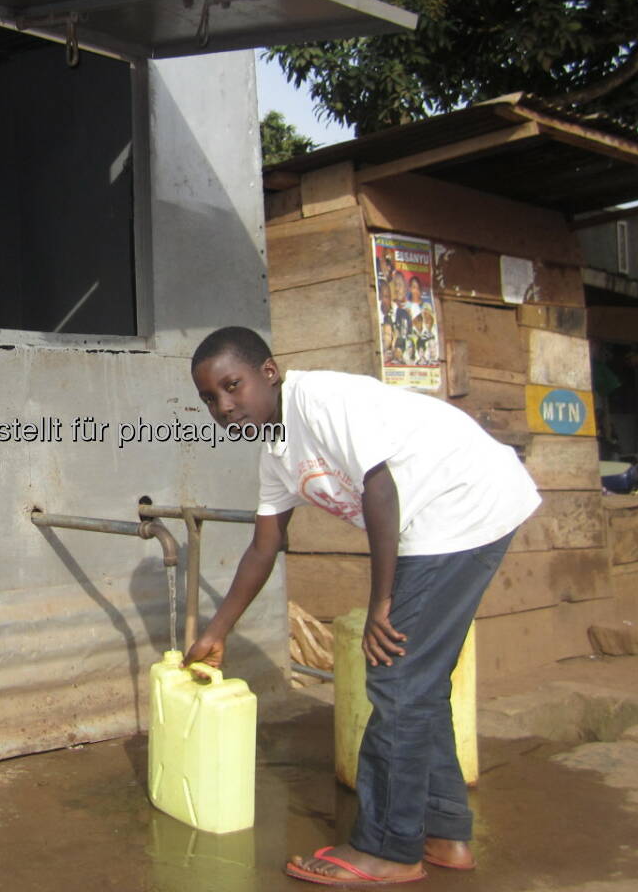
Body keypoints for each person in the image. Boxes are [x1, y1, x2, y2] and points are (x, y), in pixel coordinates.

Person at [186, 326, 541, 887]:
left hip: (463, 503)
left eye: (233, 387)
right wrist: (218, 630)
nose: (225, 406)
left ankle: (387, 848)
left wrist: (382, 602)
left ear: (269, 372)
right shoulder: (275, 451)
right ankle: (443, 831)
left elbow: (380, 489)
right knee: (417, 683)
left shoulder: (321, 401)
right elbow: (264, 544)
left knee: (397, 679)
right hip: (440, 521)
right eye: (210, 398)